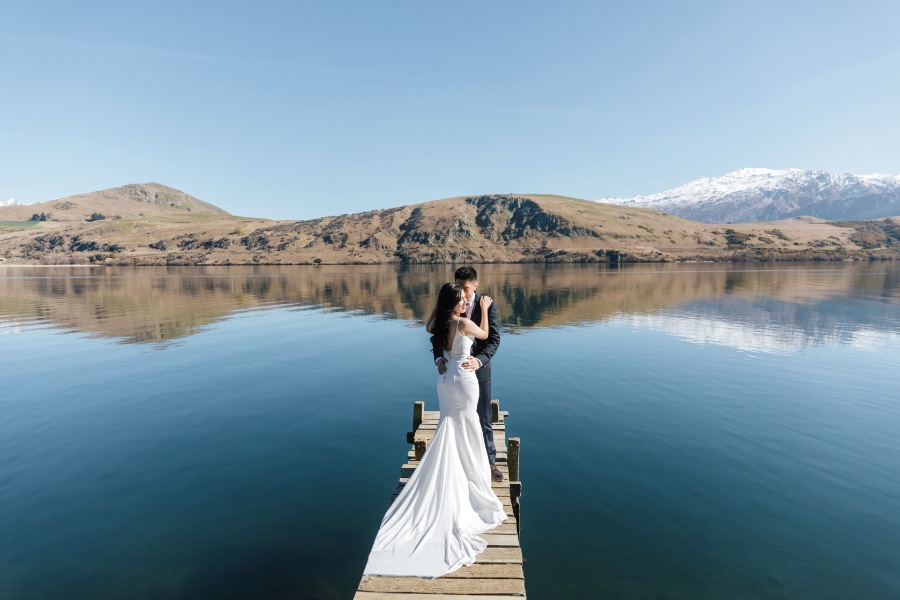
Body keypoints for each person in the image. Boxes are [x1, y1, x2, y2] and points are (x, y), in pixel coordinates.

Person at [363, 283, 507, 578]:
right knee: (467, 428)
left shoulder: (436, 323)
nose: (467, 300)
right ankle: (470, 478)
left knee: (449, 427)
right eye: (463, 298)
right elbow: (485, 334)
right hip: (465, 380)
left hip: (444, 381)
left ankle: (457, 474)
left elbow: (432, 332)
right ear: (456, 302)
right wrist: (482, 308)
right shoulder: (465, 321)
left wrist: (441, 355)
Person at [432, 266, 503, 482]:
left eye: (466, 288)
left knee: (483, 418)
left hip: (478, 372)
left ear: (475, 285)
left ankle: (489, 462)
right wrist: (438, 358)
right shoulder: (451, 310)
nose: (463, 292)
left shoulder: (488, 306)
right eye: (459, 287)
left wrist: (480, 361)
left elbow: (494, 340)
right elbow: (435, 336)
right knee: (459, 418)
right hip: (455, 372)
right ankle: (461, 464)